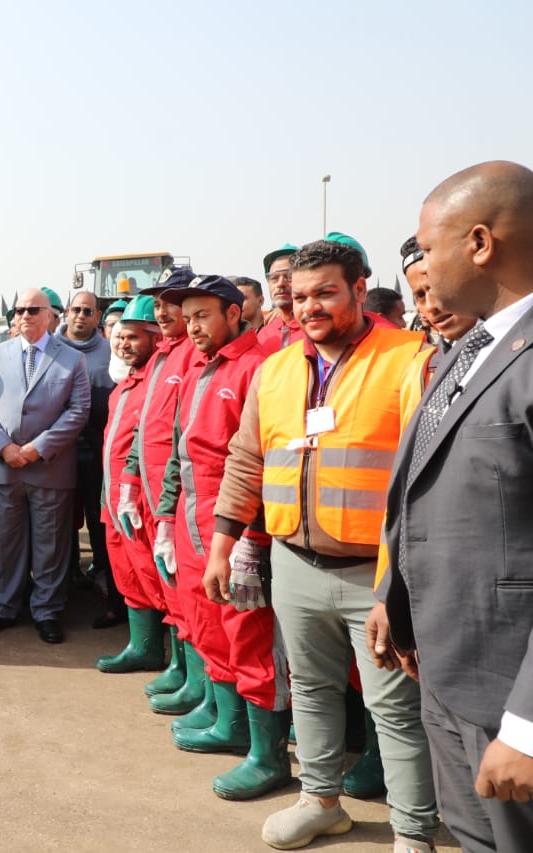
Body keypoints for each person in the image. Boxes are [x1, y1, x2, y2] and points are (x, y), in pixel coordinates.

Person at [210, 240, 438, 851]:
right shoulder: (277, 369)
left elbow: (424, 479)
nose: (309, 307)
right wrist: (224, 543)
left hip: (377, 574)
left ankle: (413, 832)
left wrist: (397, 584)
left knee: (394, 708)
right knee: (311, 690)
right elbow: (246, 458)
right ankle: (321, 802)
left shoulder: (409, 360)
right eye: (300, 296)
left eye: (325, 293)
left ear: (360, 290)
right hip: (295, 563)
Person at [373, 160, 533, 851]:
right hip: (447, 667)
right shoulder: (470, 347)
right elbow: (425, 486)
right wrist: (395, 597)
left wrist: (527, 726)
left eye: (428, 248)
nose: (423, 268)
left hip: (509, 692)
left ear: (480, 242)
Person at [150, 276, 287, 801]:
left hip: (235, 523)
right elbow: (181, 450)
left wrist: (253, 538)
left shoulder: (258, 367)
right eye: (188, 318)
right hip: (195, 518)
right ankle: (229, 720)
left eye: (203, 315)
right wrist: (167, 518)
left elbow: (263, 460)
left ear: (234, 313)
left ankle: (267, 754)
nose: (192, 327)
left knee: (249, 634)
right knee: (209, 622)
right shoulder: (200, 368)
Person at [0, 288, 90, 643]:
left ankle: (47, 610)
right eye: (19, 310)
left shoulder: (72, 359)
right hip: (5, 467)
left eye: (33, 310)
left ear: (50, 315)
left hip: (50, 468)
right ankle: (3, 607)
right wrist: (3, 446)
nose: (24, 315)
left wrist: (38, 448)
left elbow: (78, 411)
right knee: (6, 542)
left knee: (49, 544)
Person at [117, 267, 203, 713]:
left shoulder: (191, 355)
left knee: (191, 596)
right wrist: (131, 482)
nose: (163, 311)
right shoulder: (161, 359)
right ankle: (181, 668)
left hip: (179, 498)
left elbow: (180, 436)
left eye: (172, 303)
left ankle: (201, 685)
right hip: (153, 495)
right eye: (158, 303)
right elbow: (144, 430)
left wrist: (167, 505)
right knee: (170, 588)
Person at [96, 296, 173, 674]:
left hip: (143, 501)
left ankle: (177, 662)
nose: (123, 344)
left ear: (156, 339)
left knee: (158, 578)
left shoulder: (159, 384)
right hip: (115, 500)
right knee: (128, 573)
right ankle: (142, 646)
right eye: (120, 336)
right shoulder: (125, 385)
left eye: (133, 337)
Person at [59, 290, 122, 625]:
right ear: (67, 312)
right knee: (57, 525)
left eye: (88, 311)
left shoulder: (110, 353)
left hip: (98, 455)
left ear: (98, 317)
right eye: (76, 309)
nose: (81, 316)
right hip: (58, 453)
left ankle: (111, 592)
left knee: (101, 526)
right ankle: (60, 587)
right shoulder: (50, 349)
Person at [256, 245, 301, 354]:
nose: (280, 284)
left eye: (289, 276)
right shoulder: (263, 335)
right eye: (274, 278)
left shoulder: (316, 329)